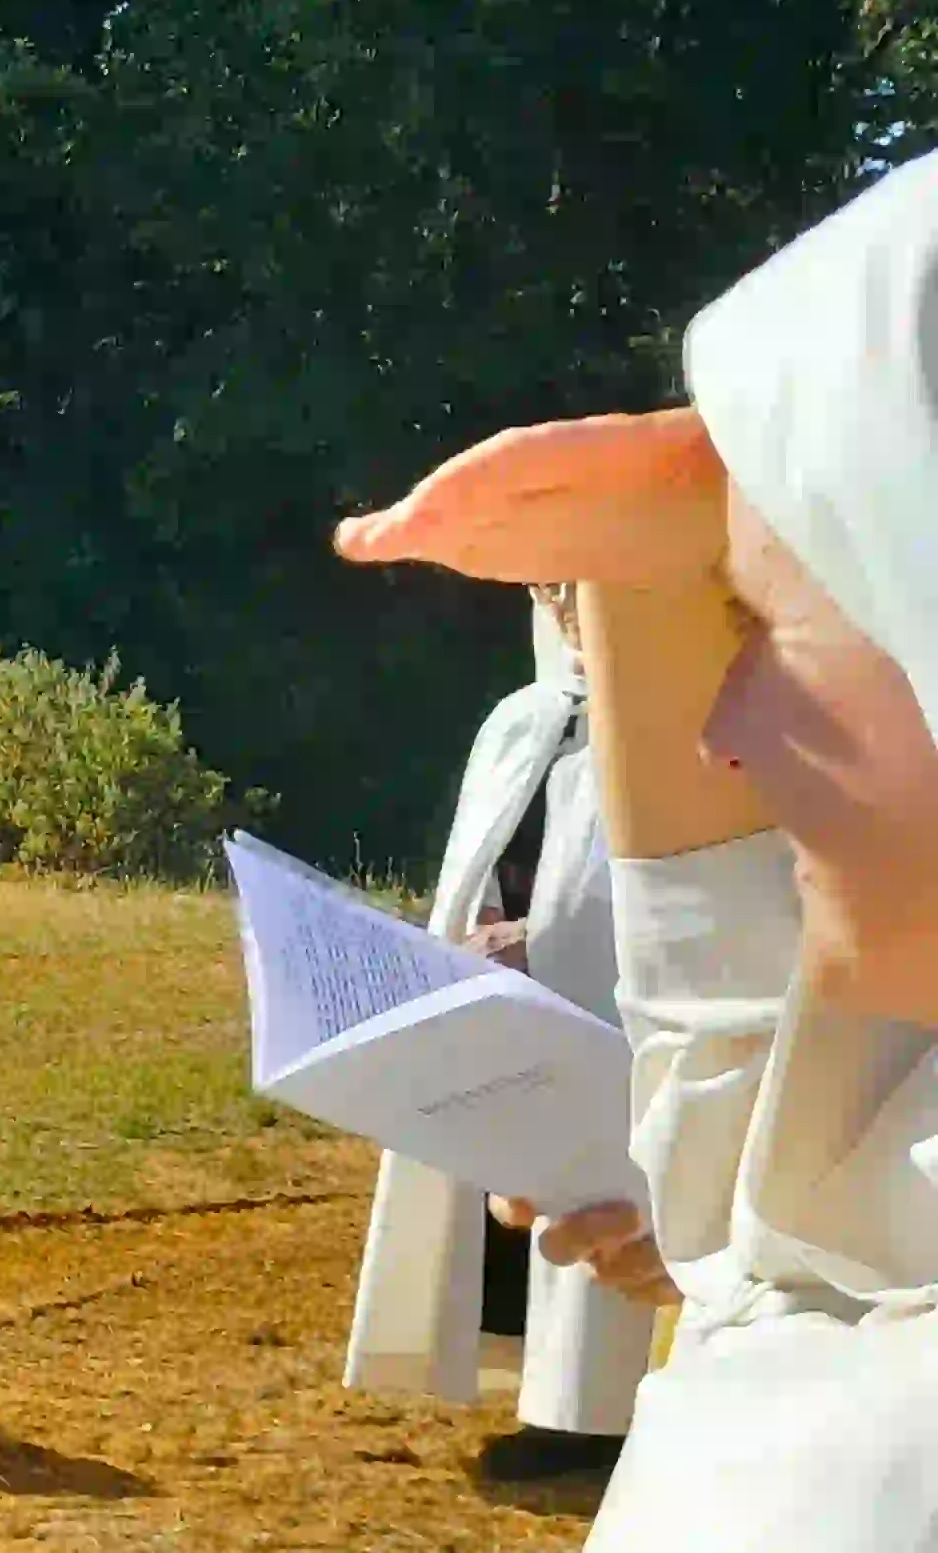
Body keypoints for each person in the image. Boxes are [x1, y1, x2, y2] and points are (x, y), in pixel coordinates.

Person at [337, 150, 938, 1547]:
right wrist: (664, 547)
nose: (725, 733)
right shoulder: (861, 1227)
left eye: (771, 626)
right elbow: (734, 1101)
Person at [340, 586, 648, 1477]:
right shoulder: (522, 723)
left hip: (611, 1014)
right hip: (510, 1004)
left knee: (612, 1178)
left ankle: (603, 1414)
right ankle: (557, 1400)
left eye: (579, 579)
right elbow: (495, 865)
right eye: (547, 584)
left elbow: (663, 905)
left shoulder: (680, 721)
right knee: (513, 1190)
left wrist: (539, 941)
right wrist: (477, 937)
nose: (562, 601)